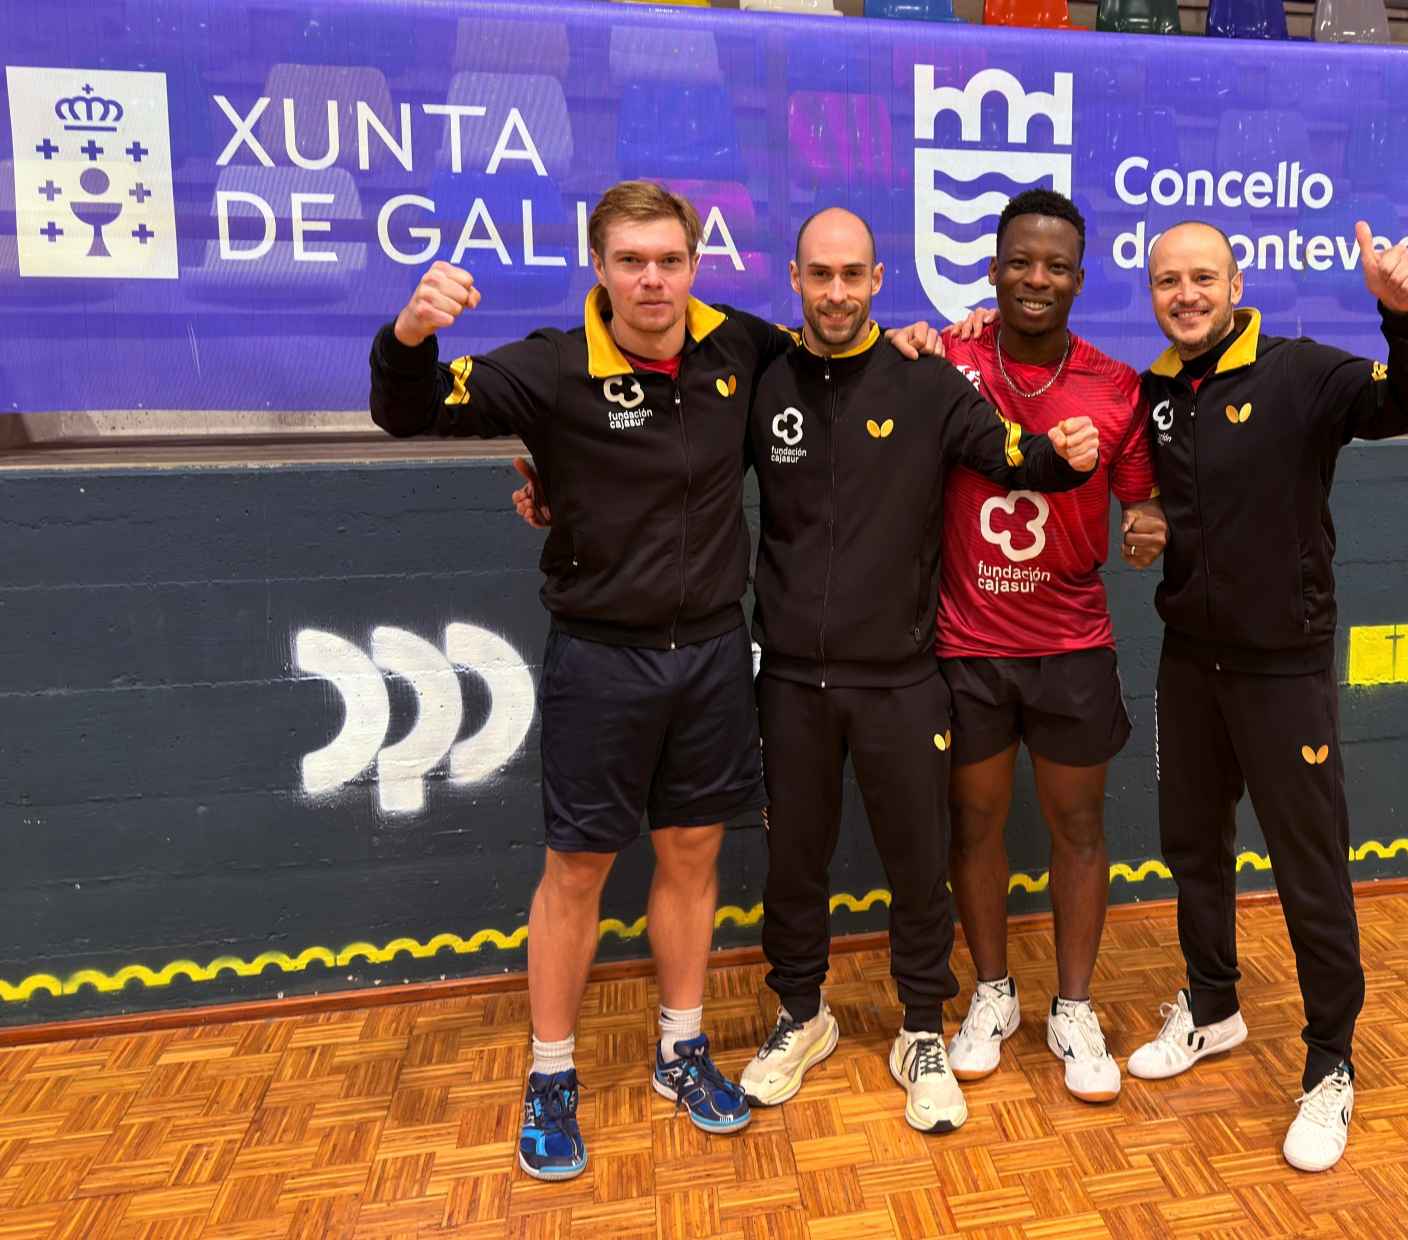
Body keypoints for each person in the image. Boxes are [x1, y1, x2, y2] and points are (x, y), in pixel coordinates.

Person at [369, 181, 935, 1180]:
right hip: (601, 657)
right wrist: (411, 332)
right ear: (601, 269)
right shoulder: (550, 366)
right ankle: (551, 1072)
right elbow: (406, 412)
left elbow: (844, 352)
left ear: (694, 263)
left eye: (669, 260)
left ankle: (682, 1050)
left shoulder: (738, 346)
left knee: (691, 855)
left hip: (715, 652)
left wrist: (929, 340)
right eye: (631, 261)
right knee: (577, 870)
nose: (652, 280)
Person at [735, 208, 1099, 1135]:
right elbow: (676, 467)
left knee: (919, 864)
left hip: (902, 677)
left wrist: (1067, 457)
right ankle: (802, 1014)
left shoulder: (927, 380)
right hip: (790, 681)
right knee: (794, 860)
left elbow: (1011, 454)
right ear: (794, 278)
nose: (837, 293)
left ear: (879, 278)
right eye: (820, 275)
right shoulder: (761, 376)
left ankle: (924, 1026)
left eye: (854, 274)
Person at [1125, 220, 1408, 1173]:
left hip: (1284, 670)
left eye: (1202, 278)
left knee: (1309, 869)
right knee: (1193, 849)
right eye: (1167, 281)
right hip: (1190, 662)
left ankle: (1329, 1064)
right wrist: (1152, 528)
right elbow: (1174, 512)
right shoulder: (1159, 393)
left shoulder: (1302, 373)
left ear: (1238, 280)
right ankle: (1214, 1007)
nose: (1184, 295)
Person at [927, 189, 1167, 1104]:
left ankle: (1074, 1006)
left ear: (1078, 276)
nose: (1036, 279)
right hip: (968, 644)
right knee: (976, 824)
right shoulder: (945, 359)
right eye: (1019, 262)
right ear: (991, 269)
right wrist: (918, 335)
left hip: (1070, 645)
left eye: (1055, 265)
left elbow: (1141, 499)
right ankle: (993, 994)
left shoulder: (1115, 386)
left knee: (1077, 827)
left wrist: (1147, 527)